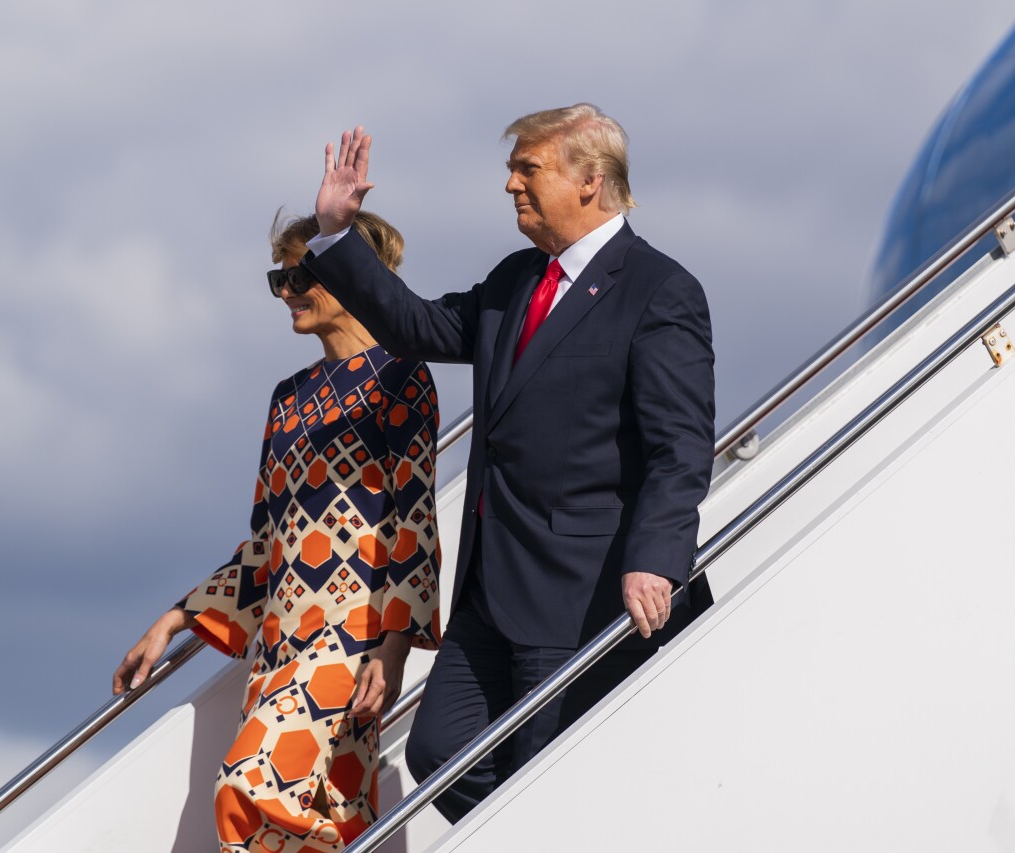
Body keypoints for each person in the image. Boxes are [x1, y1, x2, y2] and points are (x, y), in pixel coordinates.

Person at [303, 103, 715, 823]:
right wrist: (338, 233)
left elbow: (680, 446)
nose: (510, 185)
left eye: (528, 169)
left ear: (589, 180)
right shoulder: (516, 279)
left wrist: (657, 558)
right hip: (489, 590)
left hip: (578, 594)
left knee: (546, 775)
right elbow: (417, 326)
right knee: (439, 753)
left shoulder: (659, 290)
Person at [113, 210, 442, 851]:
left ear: (353, 275)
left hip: (354, 637)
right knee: (333, 807)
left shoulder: (402, 377)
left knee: (250, 782)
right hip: (280, 640)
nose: (285, 292)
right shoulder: (288, 397)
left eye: (299, 277)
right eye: (278, 280)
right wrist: (176, 619)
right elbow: (265, 543)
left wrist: (396, 645)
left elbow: (414, 517)